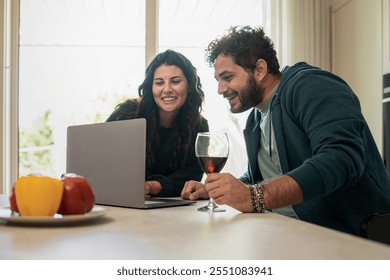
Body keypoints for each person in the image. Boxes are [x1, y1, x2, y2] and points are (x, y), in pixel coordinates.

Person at [181, 25, 390, 236]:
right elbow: (262, 177)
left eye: (227, 77)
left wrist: (255, 197)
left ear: (260, 70)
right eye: (218, 80)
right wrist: (217, 190)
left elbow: (341, 158)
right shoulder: (255, 119)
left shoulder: (310, 85)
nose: (220, 89)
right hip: (290, 233)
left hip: (351, 236)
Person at [107, 49, 209, 197]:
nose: (167, 89)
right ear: (151, 87)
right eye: (159, 83)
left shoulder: (199, 125)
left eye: (175, 81)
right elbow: (104, 156)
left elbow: (192, 176)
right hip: (123, 199)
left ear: (189, 85)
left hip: (176, 209)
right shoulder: (129, 112)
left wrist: (152, 186)